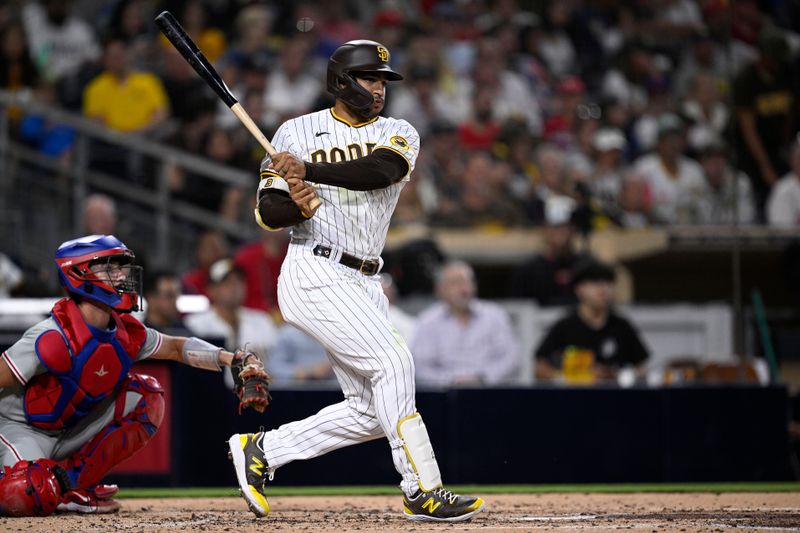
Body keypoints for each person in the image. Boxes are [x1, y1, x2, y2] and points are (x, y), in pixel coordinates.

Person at [226, 40, 484, 522]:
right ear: (342, 82)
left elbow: (380, 171)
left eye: (383, 80)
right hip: (314, 270)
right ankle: (423, 487)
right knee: (393, 362)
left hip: (365, 280)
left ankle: (263, 451)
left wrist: (312, 173)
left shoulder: (398, 131)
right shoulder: (294, 132)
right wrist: (295, 200)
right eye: (369, 78)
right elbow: (268, 212)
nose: (379, 88)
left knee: (370, 410)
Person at [0, 235, 262, 516]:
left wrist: (230, 358)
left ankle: (75, 487)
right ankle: (44, 481)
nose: (122, 275)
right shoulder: (51, 336)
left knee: (146, 394)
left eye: (121, 267)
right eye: (110, 267)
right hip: (22, 429)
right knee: (26, 494)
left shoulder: (126, 331)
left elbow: (177, 347)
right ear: (79, 273)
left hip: (68, 431)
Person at [534, 259, 649, 384]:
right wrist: (568, 376)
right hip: (575, 397)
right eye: (595, 282)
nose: (602, 289)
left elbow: (641, 368)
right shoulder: (564, 326)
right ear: (578, 289)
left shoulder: (622, 326)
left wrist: (619, 375)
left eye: (607, 282)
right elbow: (540, 368)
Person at [410, 261, 519, 387]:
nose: (464, 289)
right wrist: (450, 381)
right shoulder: (427, 322)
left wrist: (483, 378)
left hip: (490, 392)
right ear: (440, 290)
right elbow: (420, 366)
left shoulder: (495, 316)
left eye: (468, 282)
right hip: (444, 395)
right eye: (456, 283)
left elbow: (511, 358)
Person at [185, 258, 277, 390]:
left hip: (258, 394)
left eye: (238, 281)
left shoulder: (263, 321)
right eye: (227, 283)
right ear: (211, 289)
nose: (234, 287)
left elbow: (277, 365)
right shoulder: (195, 325)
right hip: (213, 396)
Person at [142, 268, 192, 337]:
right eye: (169, 296)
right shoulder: (140, 335)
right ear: (151, 298)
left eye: (177, 296)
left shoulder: (184, 332)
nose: (175, 301)